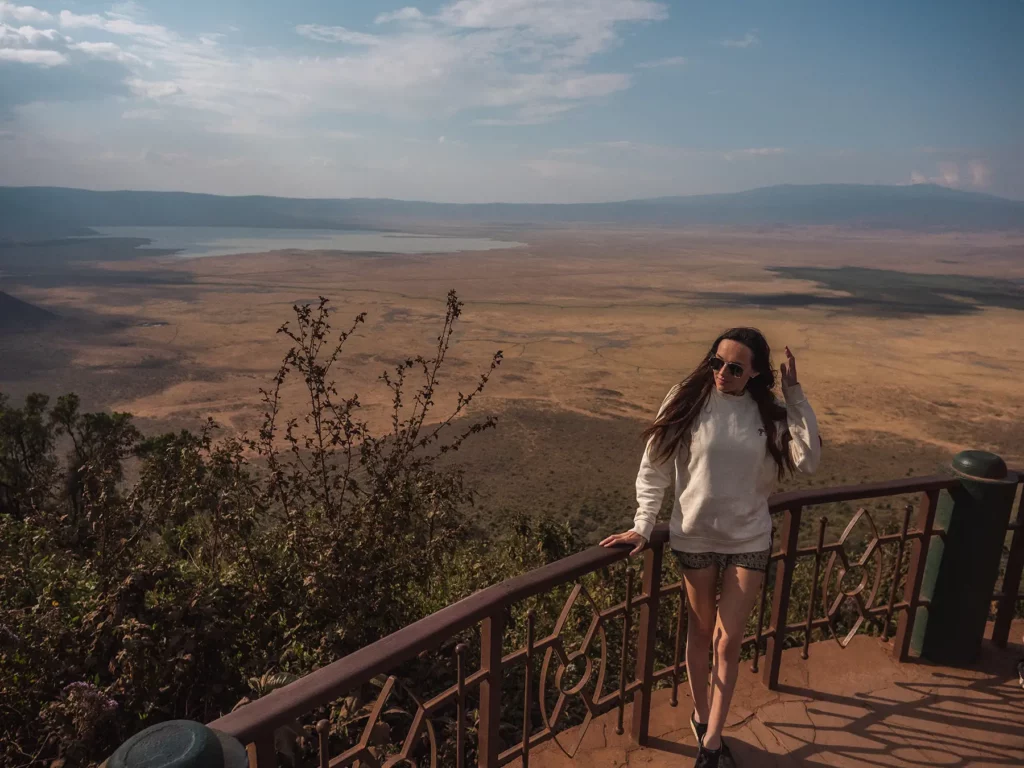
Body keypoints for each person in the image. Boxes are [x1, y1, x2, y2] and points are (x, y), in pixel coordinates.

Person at [600, 328, 821, 768]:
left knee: (729, 641)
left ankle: (714, 741)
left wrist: (796, 396)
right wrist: (642, 525)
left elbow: (809, 459)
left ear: (755, 373)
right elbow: (655, 465)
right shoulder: (687, 398)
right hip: (695, 535)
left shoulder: (772, 415)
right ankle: (702, 716)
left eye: (735, 367)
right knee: (701, 633)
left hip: (748, 539)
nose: (722, 373)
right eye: (715, 362)